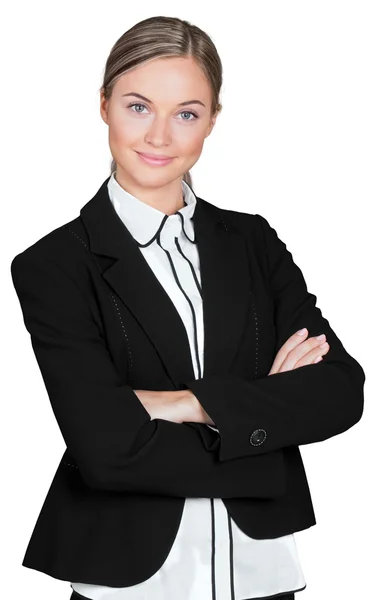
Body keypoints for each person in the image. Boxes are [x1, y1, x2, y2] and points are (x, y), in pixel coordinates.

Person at [10, 15, 365, 600]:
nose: (159, 137)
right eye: (138, 106)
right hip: (127, 581)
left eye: (186, 113)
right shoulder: (53, 265)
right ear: (103, 106)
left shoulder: (252, 242)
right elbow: (104, 449)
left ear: (212, 121)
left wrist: (184, 404)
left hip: (263, 575)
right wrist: (264, 436)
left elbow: (340, 391)